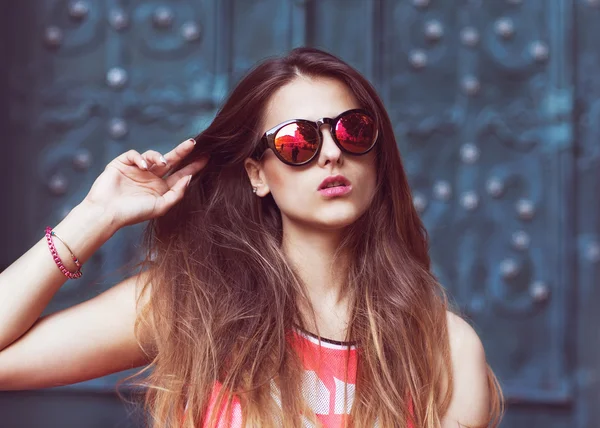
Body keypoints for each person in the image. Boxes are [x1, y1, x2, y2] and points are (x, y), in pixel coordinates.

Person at [0, 48, 503, 427]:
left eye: (351, 131)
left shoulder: (444, 346)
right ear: (257, 174)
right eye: (298, 141)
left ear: (375, 155)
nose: (331, 154)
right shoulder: (192, 304)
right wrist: (95, 216)